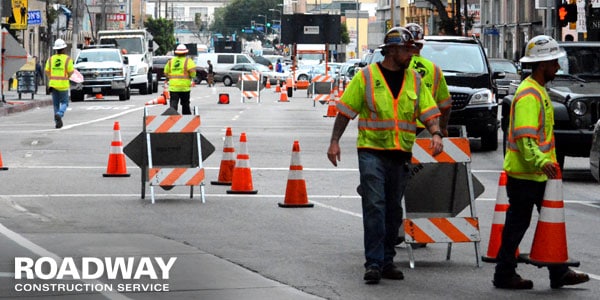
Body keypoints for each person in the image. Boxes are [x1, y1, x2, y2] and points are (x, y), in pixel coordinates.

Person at [326, 27, 444, 285]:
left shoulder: (414, 79)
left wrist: (436, 133)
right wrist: (334, 142)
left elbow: (428, 111)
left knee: (392, 210)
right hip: (371, 152)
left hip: (400, 153)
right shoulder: (367, 77)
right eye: (406, 50)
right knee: (375, 206)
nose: (411, 54)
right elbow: (345, 111)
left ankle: (387, 260)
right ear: (391, 51)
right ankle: (374, 263)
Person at [493, 35, 590, 290]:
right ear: (542, 64)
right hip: (527, 174)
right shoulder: (529, 95)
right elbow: (525, 139)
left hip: (535, 173)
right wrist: (541, 161)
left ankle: (558, 271)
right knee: (518, 224)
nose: (557, 68)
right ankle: (505, 274)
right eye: (554, 63)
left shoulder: (537, 91)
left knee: (549, 222)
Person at [405, 23, 452, 137]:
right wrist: (442, 127)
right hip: (426, 127)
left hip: (400, 126)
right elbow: (445, 105)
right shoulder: (434, 69)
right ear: (421, 46)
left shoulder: (396, 65)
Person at [45, 39, 74, 129]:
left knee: (56, 104)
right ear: (64, 49)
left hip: (53, 85)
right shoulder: (67, 59)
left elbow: (46, 71)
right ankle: (59, 114)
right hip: (63, 85)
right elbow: (71, 71)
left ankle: (57, 122)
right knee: (65, 102)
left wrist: (52, 78)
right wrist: (67, 76)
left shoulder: (51, 59)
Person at [164, 44, 196, 114]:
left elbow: (166, 72)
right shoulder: (188, 61)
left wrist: (171, 78)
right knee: (185, 105)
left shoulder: (171, 61)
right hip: (184, 88)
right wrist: (190, 77)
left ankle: (172, 119)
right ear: (185, 52)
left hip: (173, 88)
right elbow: (193, 73)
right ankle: (186, 120)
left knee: (173, 104)